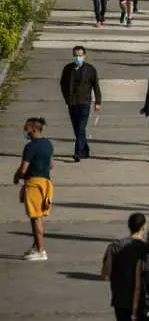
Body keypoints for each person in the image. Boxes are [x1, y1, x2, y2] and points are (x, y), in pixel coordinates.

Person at [101, 213, 148, 321]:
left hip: (120, 299)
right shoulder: (146, 249)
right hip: (140, 301)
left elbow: (105, 275)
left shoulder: (115, 247)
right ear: (143, 227)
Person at [13, 117, 54, 261]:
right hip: (46, 183)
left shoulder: (30, 147)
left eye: (27, 128)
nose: (25, 131)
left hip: (34, 184)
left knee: (35, 218)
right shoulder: (48, 144)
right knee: (39, 217)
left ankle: (40, 251)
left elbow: (23, 169)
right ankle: (36, 246)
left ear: (34, 129)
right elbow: (51, 165)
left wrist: (16, 177)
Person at [60, 46, 102, 162]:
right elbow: (62, 84)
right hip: (72, 102)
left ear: (84, 56)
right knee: (77, 128)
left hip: (85, 102)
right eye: (76, 55)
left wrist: (97, 101)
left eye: (80, 55)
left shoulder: (90, 69)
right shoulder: (68, 69)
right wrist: (66, 98)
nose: (78, 58)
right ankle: (85, 150)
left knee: (81, 127)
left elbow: (96, 86)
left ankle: (77, 153)